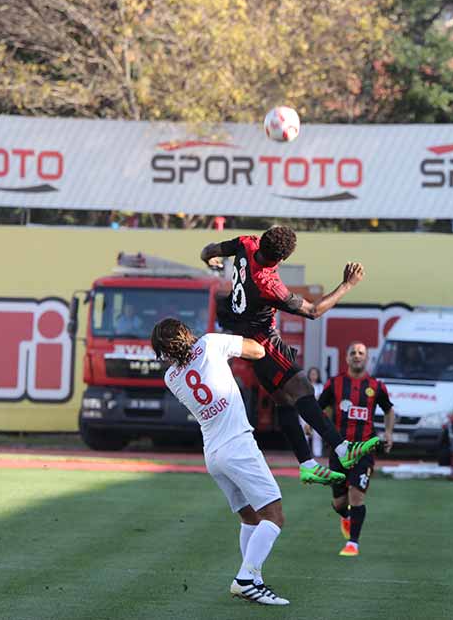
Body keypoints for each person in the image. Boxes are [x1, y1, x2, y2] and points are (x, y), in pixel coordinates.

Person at [200, 226, 380, 486]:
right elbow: (314, 310)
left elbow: (210, 250)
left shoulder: (246, 243)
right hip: (262, 338)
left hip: (243, 333)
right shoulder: (268, 284)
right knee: (302, 388)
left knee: (283, 400)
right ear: (282, 259)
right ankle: (342, 449)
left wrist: (210, 259)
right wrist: (346, 285)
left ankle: (307, 464)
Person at [151, 318, 289, 606]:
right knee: (274, 516)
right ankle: (245, 579)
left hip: (213, 453)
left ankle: (255, 580)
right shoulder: (211, 343)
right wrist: (259, 330)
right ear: (185, 333)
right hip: (237, 444)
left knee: (249, 517)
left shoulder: (171, 379)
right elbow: (258, 351)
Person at [317, 342, 395, 557]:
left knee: (356, 495)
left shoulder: (376, 386)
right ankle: (345, 516)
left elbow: (389, 410)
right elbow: (317, 407)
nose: (357, 356)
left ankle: (353, 543)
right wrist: (309, 423)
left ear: (367, 358)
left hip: (364, 450)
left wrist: (388, 432)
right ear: (347, 358)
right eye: (353, 352)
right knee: (339, 502)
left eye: (361, 353)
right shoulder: (335, 384)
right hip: (339, 450)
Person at [302, 367, 324, 457]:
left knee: (317, 433)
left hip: (316, 411)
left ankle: (317, 453)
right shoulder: (305, 385)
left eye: (315, 374)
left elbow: (321, 399)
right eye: (312, 374)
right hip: (304, 411)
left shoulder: (321, 386)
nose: (313, 376)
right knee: (304, 432)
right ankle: (304, 453)